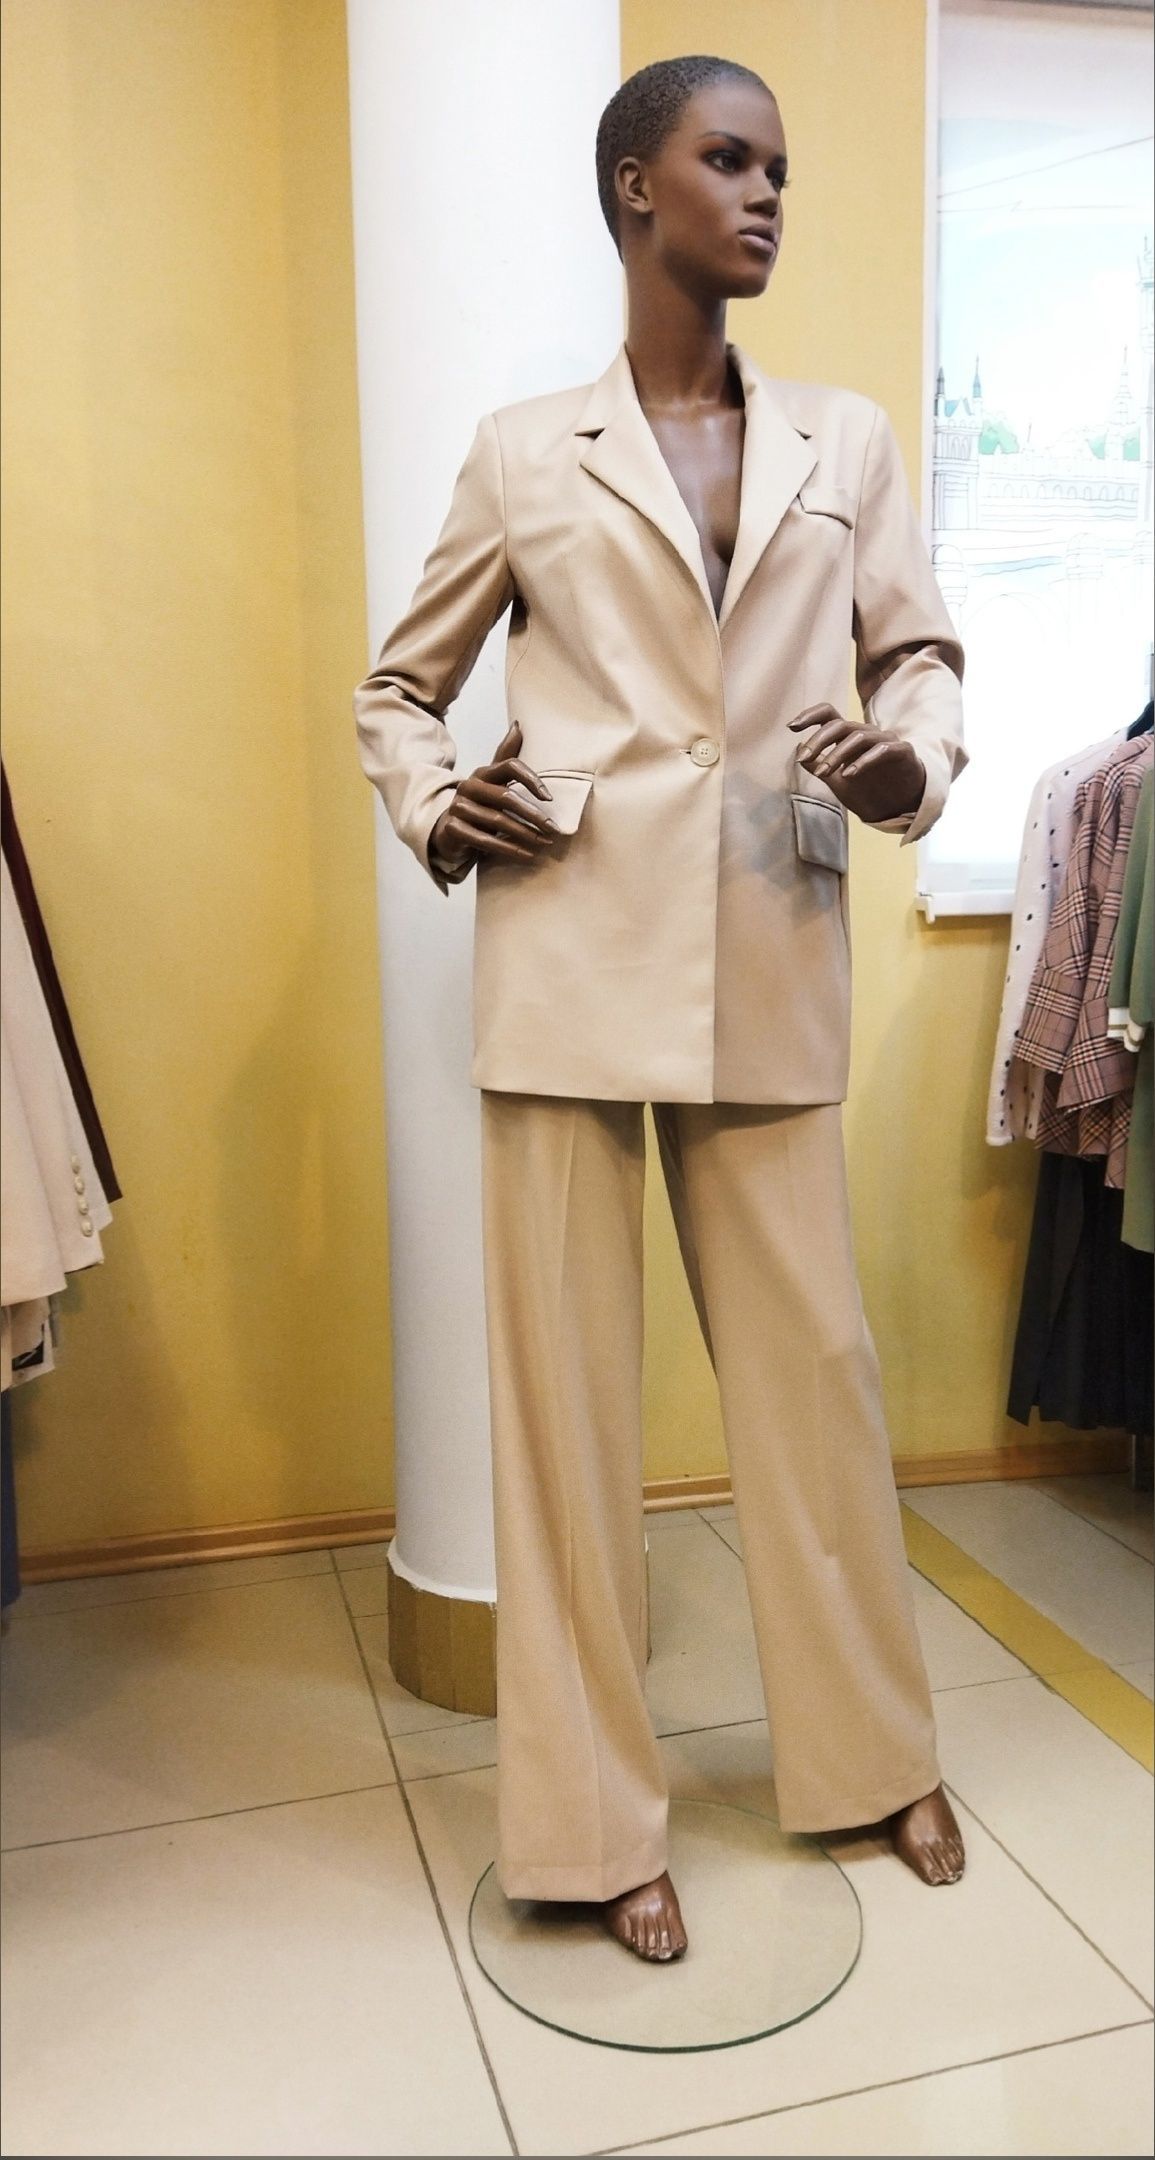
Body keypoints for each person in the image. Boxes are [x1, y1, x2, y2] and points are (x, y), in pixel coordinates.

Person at [354, 53, 968, 1965]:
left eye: (782, 165)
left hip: (772, 936)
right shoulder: (524, 453)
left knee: (815, 1377)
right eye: (730, 159)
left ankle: (871, 1754)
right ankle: (589, 1825)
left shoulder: (845, 441)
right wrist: (433, 802)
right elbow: (399, 689)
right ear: (637, 184)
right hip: (564, 950)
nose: (769, 192)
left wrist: (913, 764)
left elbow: (920, 654)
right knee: (561, 1411)